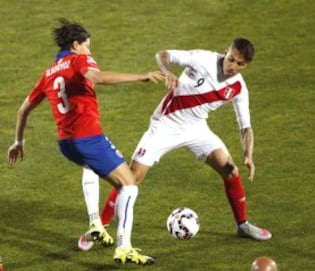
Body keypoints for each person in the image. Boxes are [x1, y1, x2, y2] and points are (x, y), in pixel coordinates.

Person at [78, 37, 272, 251]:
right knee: (130, 179)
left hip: (196, 128)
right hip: (165, 125)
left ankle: (242, 225)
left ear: (247, 66)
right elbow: (163, 54)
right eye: (231, 59)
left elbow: (246, 128)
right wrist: (168, 71)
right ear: (225, 52)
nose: (232, 66)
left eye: (239, 64)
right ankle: (99, 228)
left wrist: (248, 155)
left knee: (231, 170)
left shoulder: (238, 88)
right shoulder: (202, 59)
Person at [7, 18, 164, 265]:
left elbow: (22, 110)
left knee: (91, 166)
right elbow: (97, 78)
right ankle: (124, 247)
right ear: (76, 45)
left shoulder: (48, 73)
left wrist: (18, 142)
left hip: (67, 143)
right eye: (87, 46)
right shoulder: (79, 59)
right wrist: (140, 76)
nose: (90, 51)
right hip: (88, 137)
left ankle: (95, 223)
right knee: (129, 185)